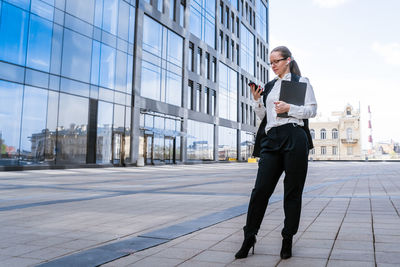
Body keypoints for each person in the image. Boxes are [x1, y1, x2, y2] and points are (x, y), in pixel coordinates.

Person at [235, 46, 317, 260]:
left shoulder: (301, 82)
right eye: (270, 62)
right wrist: (256, 101)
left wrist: (289, 108)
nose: (272, 66)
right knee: (260, 190)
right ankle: (249, 236)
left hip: (294, 136)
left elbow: (312, 110)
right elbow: (266, 117)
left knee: (292, 191)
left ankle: (287, 238)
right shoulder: (270, 86)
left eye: (276, 61)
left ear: (287, 60)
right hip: (272, 139)